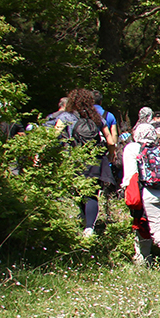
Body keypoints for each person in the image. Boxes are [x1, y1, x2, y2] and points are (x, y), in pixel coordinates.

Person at [121, 120, 160, 270]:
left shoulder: (132, 148)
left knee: (157, 229)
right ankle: (143, 259)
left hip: (148, 194)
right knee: (145, 225)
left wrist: (131, 199)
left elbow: (131, 176)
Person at [58, 87, 104, 236]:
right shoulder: (96, 117)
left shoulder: (66, 116)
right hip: (94, 159)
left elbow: (53, 135)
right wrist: (109, 155)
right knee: (92, 193)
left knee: (79, 190)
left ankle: (84, 219)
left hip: (76, 158)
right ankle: (90, 226)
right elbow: (110, 139)